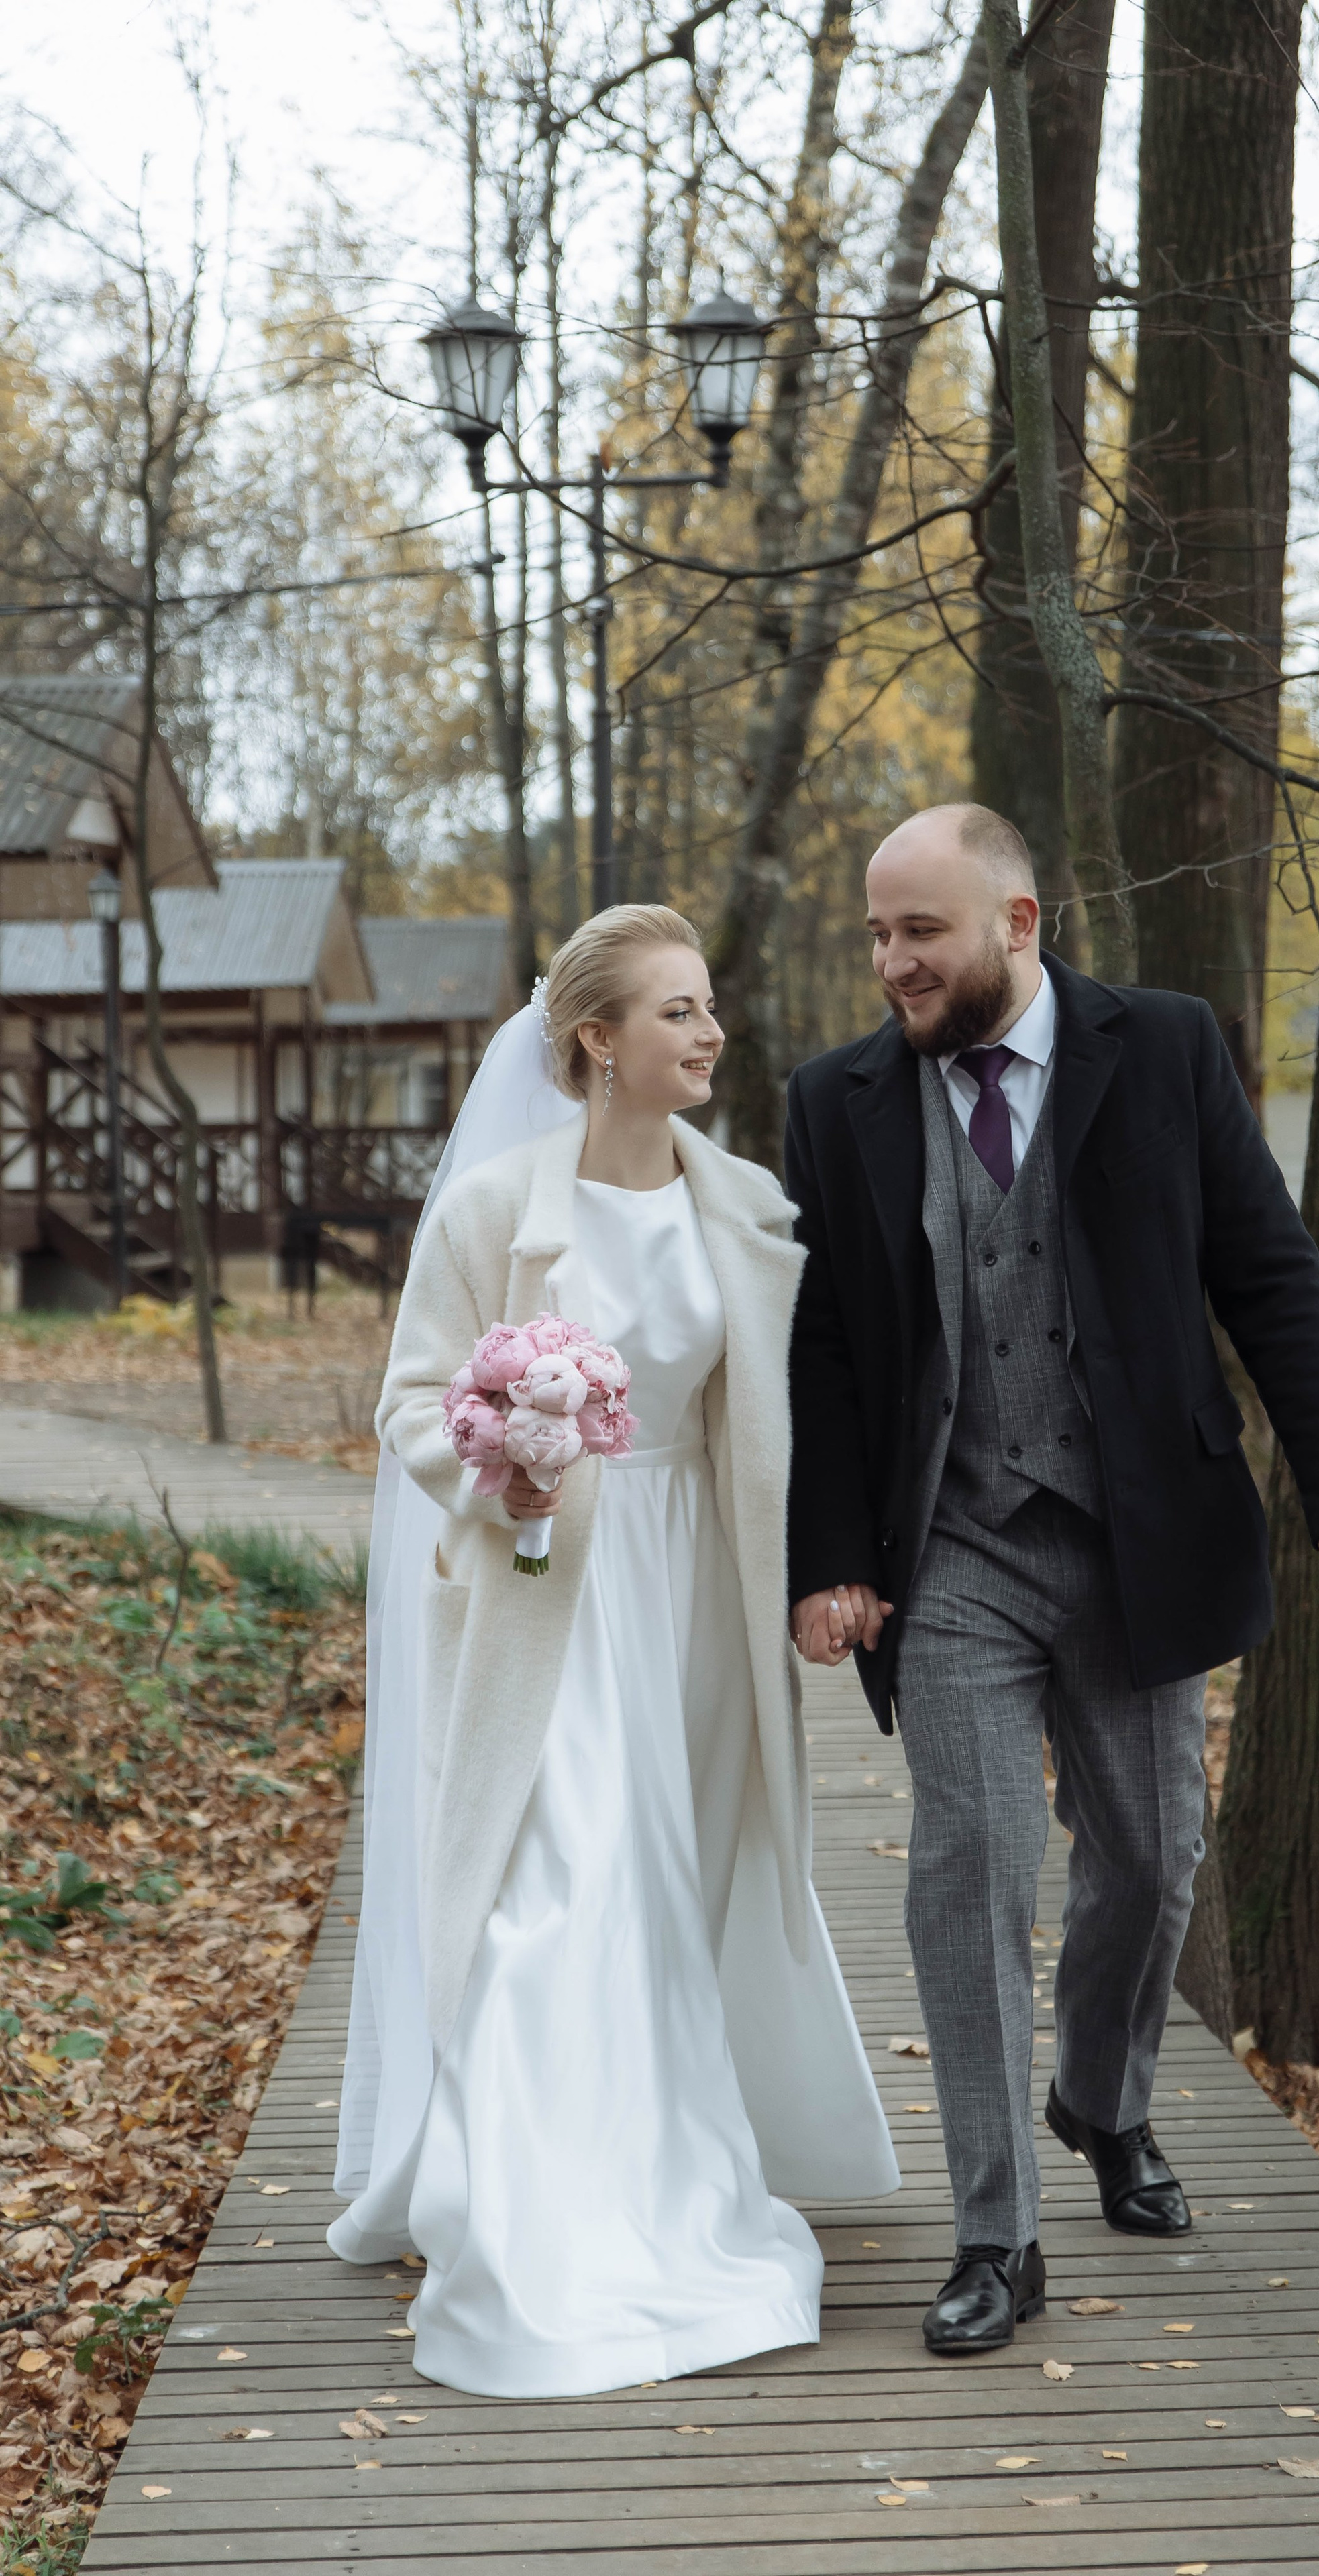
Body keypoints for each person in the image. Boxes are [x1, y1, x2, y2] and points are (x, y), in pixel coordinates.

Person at [784, 805, 1319, 2357]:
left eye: (917, 930)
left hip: (1135, 1537)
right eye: (873, 934)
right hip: (955, 1550)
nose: (890, 962)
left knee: (1151, 1855)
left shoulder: (1167, 1049)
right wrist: (835, 1560)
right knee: (969, 1864)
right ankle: (996, 2230)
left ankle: (1102, 2101)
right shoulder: (837, 1100)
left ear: (1016, 919)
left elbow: (1268, 1269)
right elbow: (832, 1352)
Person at [327, 904, 898, 2398]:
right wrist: (500, 1460)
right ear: (594, 1042)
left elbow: (782, 1411)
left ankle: (669, 2175)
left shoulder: (748, 1209)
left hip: (694, 1589)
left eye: (707, 1009)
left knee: (664, 1878)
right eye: (675, 1013)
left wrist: (816, 1575)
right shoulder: (492, 1210)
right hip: (547, 1591)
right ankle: (524, 2222)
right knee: (553, 1886)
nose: (708, 1034)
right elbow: (409, 1404)